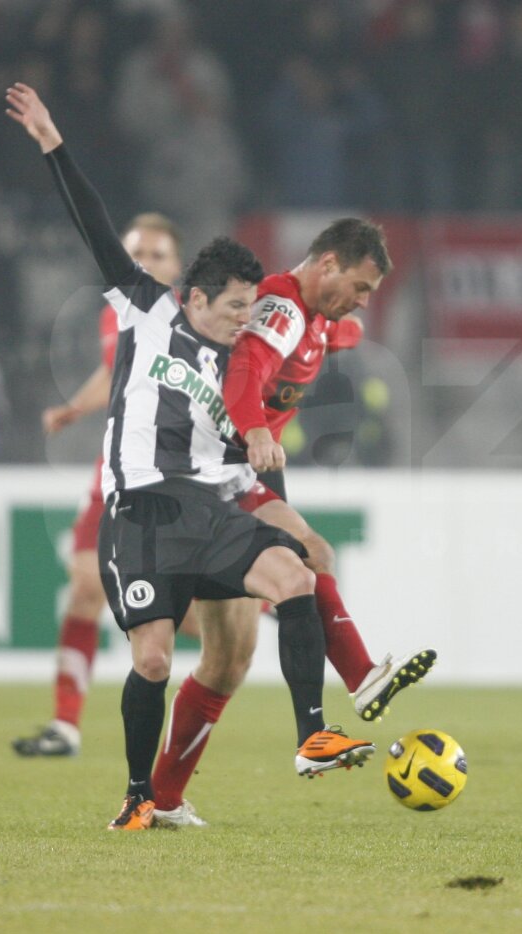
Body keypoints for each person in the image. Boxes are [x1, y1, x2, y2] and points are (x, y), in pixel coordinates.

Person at [7, 82, 373, 832]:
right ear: (197, 297)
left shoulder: (244, 370)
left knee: (296, 571)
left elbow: (258, 449)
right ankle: (140, 794)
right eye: (237, 306)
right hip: (139, 510)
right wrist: (53, 145)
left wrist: (283, 497)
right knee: (151, 661)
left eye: (253, 307)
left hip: (206, 512)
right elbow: (96, 226)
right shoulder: (147, 308)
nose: (248, 319)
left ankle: (312, 736)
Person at [222, 219, 436, 731]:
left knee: (300, 572)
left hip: (255, 468)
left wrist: (348, 330)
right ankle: (353, 687)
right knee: (308, 562)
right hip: (228, 462)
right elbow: (246, 368)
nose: (363, 299)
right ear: (328, 264)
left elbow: (336, 333)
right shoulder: (282, 308)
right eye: (361, 287)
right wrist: (255, 431)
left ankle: (359, 680)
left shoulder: (313, 317)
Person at [12, 212, 189, 758]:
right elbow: (114, 369)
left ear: (178, 266)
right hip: (111, 476)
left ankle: (282, 602)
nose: (146, 263)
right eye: (137, 253)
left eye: (158, 254)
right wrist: (74, 409)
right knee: (85, 590)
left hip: (173, 481)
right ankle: (65, 725)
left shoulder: (191, 320)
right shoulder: (117, 313)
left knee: (205, 618)